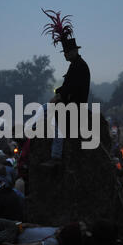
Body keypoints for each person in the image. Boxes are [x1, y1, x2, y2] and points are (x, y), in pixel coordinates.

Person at [40, 9, 90, 167]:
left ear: (74, 51)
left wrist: (58, 96)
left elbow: (71, 88)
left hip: (74, 104)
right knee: (44, 109)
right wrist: (59, 94)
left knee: (57, 122)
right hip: (70, 101)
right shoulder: (75, 65)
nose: (65, 55)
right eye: (64, 52)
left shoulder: (79, 66)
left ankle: (56, 156)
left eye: (66, 52)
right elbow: (67, 86)